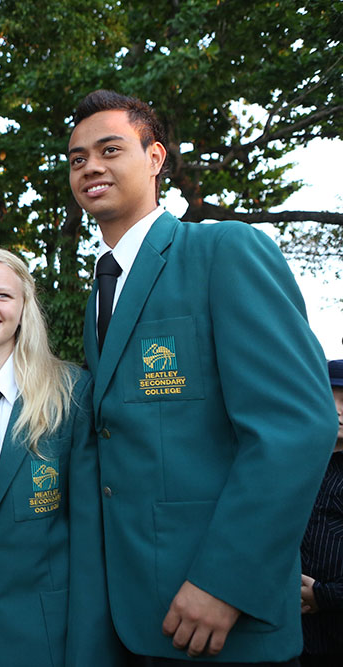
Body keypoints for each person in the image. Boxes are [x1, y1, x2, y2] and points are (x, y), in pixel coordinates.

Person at [68, 89, 338, 665]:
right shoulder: (101, 288)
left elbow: (295, 426)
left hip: (218, 618)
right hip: (134, 616)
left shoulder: (224, 250)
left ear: (156, 158)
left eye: (110, 149)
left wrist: (226, 582)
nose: (91, 165)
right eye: (77, 158)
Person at [0, 246, 123, 667]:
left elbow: (90, 537)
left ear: (23, 307)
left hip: (46, 635)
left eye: (3, 295)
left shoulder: (72, 395)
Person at [299, 359, 343, 666]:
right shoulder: (289, 466)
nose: (339, 410)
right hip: (290, 633)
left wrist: (323, 595)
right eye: (331, 397)